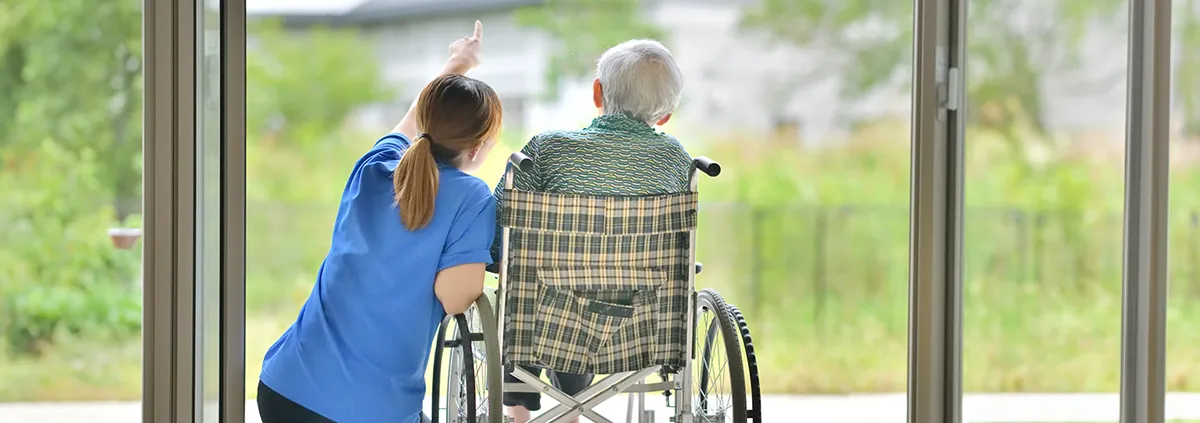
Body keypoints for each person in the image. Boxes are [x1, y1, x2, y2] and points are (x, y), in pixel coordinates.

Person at [257, 21, 501, 423]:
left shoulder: (375, 165)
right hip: (369, 411)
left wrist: (456, 64)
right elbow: (455, 297)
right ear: (478, 147)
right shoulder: (471, 197)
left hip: (285, 390)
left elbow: (411, 121)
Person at [492, 39, 692, 423]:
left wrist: (495, 259)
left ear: (597, 92)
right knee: (595, 294)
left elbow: (505, 215)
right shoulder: (676, 160)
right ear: (665, 115)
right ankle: (571, 410)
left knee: (526, 290)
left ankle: (519, 413)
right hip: (640, 318)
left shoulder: (547, 149)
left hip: (546, 315)